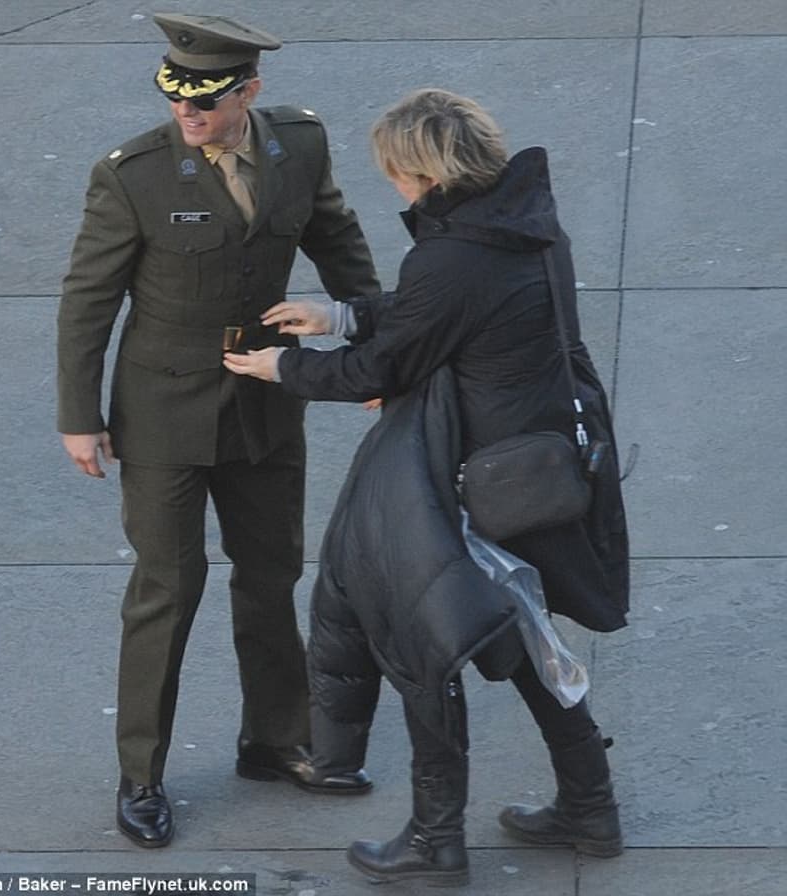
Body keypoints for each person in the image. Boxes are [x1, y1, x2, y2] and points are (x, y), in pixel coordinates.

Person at [225, 88, 630, 885]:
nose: (394, 188)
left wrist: (285, 366)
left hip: (468, 477)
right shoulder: (526, 227)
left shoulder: (452, 256)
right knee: (519, 640)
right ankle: (590, 805)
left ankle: (435, 839)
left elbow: (388, 366)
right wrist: (341, 315)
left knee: (423, 643)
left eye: (395, 175)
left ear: (422, 170)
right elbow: (435, 317)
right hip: (532, 463)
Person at [56, 13, 380, 849]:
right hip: (163, 412)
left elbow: (338, 240)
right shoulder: (133, 174)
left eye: (205, 101)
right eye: (176, 99)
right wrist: (79, 418)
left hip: (267, 399)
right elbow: (89, 300)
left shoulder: (298, 146)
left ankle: (276, 739)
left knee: (272, 574)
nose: (187, 115)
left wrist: (377, 349)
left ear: (249, 93)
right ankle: (141, 775)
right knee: (167, 588)